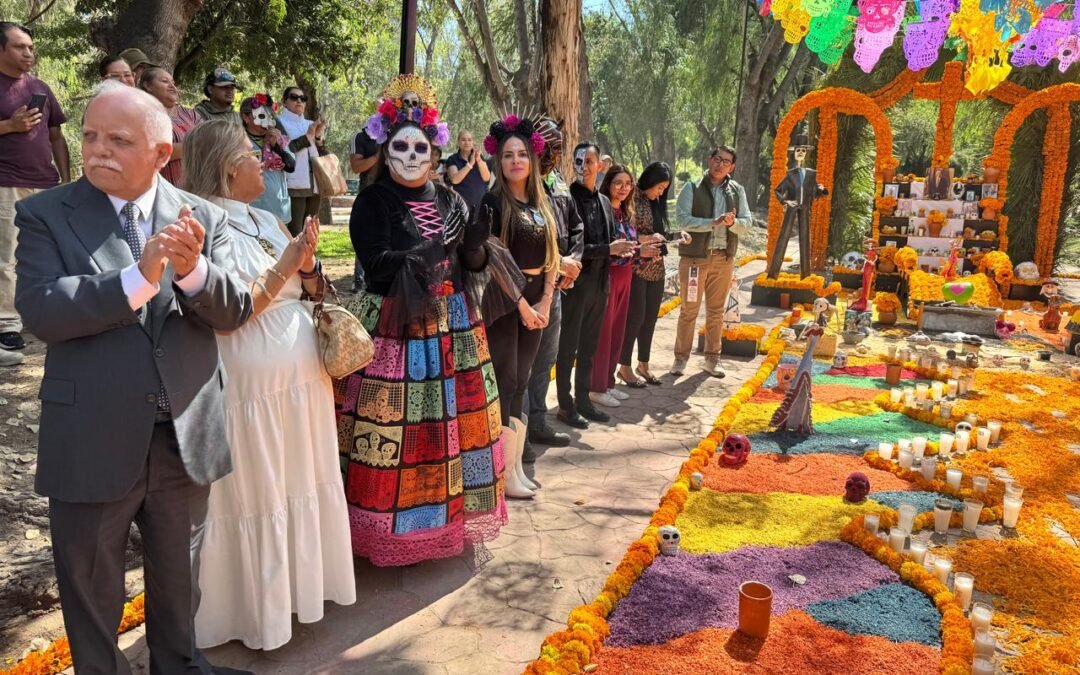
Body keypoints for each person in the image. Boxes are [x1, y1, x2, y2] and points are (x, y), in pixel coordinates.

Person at [14, 82, 252, 674]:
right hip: (92, 436)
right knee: (92, 592)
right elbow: (42, 310)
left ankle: (179, 667)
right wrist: (139, 279)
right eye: (90, 136)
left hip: (184, 436)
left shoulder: (205, 219)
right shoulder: (44, 214)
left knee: (180, 583)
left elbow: (234, 311)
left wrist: (193, 271)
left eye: (118, 140)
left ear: (162, 152)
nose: (97, 150)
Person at [182, 120, 355, 650]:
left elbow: (301, 289)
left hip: (300, 383)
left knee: (298, 481)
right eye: (252, 153)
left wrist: (306, 269)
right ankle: (257, 615)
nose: (264, 159)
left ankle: (302, 595)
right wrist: (286, 266)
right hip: (251, 388)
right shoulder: (204, 222)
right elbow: (230, 310)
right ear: (229, 167)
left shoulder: (265, 215)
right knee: (261, 494)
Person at [338, 75, 506, 566]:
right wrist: (429, 249)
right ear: (386, 149)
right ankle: (387, 532)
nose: (411, 156)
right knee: (401, 433)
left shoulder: (449, 198)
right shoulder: (373, 201)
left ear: (434, 153)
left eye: (419, 147)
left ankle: (444, 522)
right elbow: (376, 261)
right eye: (400, 146)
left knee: (454, 425)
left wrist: (474, 245)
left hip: (452, 328)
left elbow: (466, 266)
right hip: (395, 331)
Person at [479, 114, 561, 498]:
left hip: (535, 300)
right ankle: (501, 472)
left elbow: (552, 257)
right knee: (506, 381)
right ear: (499, 161)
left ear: (532, 159)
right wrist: (522, 305)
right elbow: (494, 259)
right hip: (502, 301)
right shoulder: (494, 203)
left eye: (522, 155)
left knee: (523, 382)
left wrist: (544, 299)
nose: (515, 161)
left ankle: (514, 468)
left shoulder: (541, 203)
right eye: (508, 155)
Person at [0, 21, 70, 360]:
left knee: (46, 252)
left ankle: (42, 313)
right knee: (6, 256)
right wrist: (9, 126)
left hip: (46, 182)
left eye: (30, 47)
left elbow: (56, 136)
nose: (29, 52)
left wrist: (67, 179)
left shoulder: (39, 86)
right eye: (19, 47)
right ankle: (7, 326)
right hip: (5, 182)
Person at [555, 143, 633, 428]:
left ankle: (583, 399)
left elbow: (611, 244)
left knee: (589, 346)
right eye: (579, 160)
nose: (584, 166)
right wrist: (608, 249)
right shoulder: (567, 199)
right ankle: (565, 404)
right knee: (568, 347)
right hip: (575, 285)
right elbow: (571, 249)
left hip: (601, 284)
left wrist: (622, 250)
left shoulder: (602, 202)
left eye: (589, 161)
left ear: (600, 165)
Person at [524, 118, 581, 455]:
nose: (553, 152)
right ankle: (518, 434)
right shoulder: (521, 182)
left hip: (557, 286)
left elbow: (575, 225)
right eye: (547, 145)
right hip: (528, 287)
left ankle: (538, 422)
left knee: (546, 358)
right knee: (523, 363)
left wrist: (573, 260)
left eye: (558, 146)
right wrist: (559, 262)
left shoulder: (559, 183)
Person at [671, 145, 751, 379]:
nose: (720, 164)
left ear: (732, 167)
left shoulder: (737, 191)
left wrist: (731, 223)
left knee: (716, 312)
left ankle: (712, 360)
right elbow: (683, 219)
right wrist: (712, 222)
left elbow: (746, 224)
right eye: (717, 159)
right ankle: (680, 359)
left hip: (723, 259)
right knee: (689, 310)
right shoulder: (691, 187)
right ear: (709, 159)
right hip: (696, 259)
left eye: (726, 162)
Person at [590, 164, 651, 407]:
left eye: (628, 184)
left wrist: (645, 252)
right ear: (608, 184)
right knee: (604, 333)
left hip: (626, 276)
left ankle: (608, 383)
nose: (624, 188)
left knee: (617, 331)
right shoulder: (601, 211)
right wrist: (635, 251)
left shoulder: (627, 212)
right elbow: (604, 248)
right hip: (608, 276)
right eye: (618, 183)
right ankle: (595, 387)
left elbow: (631, 246)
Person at [618, 162, 680, 387]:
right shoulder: (632, 199)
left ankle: (643, 364)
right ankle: (624, 367)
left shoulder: (656, 204)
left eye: (665, 189)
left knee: (650, 319)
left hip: (657, 268)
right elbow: (628, 235)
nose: (661, 192)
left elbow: (660, 234)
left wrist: (677, 235)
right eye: (659, 187)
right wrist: (647, 239)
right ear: (650, 180)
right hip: (637, 267)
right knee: (635, 318)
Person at [139, 66, 201, 188]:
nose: (172, 86)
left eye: (173, 82)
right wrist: (195, 147)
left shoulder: (191, 114)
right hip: (161, 191)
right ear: (147, 86)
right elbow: (149, 153)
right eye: (165, 81)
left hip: (196, 190)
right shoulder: (141, 115)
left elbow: (210, 142)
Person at [277, 85, 327, 235]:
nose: (299, 101)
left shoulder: (309, 123)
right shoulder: (278, 122)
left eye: (303, 98)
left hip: (315, 183)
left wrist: (317, 137)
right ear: (284, 101)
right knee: (296, 230)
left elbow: (318, 151)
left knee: (312, 229)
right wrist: (308, 136)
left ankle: (310, 258)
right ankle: (296, 259)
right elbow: (285, 150)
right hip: (294, 183)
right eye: (294, 97)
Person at [239, 93, 295, 223]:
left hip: (279, 209)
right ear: (246, 117)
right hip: (252, 209)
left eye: (270, 116)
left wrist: (276, 146)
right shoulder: (238, 140)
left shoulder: (280, 139)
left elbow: (291, 166)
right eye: (261, 116)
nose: (267, 122)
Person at [349, 127, 380, 292]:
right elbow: (356, 166)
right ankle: (359, 280)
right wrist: (378, 156)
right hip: (368, 194)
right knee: (365, 237)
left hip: (391, 193)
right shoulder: (361, 136)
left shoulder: (396, 133)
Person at [445, 130, 490, 211]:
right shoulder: (452, 159)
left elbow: (486, 178)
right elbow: (454, 180)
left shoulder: (479, 158)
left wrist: (478, 160)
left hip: (481, 205)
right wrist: (470, 164)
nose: (467, 142)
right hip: (462, 206)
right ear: (458, 142)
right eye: (463, 140)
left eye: (469, 140)